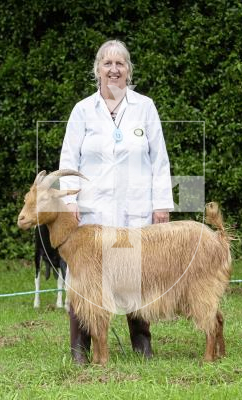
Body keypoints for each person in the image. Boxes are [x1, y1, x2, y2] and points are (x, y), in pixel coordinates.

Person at [59, 39, 174, 363]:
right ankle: (79, 348)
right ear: (97, 69)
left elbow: (160, 160)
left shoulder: (145, 107)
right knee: (85, 279)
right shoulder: (83, 110)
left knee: (134, 276)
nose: (113, 69)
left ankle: (142, 344)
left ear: (128, 70)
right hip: (92, 214)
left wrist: (160, 204)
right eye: (107, 63)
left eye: (119, 64)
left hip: (133, 210)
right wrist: (70, 201)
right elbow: (68, 159)